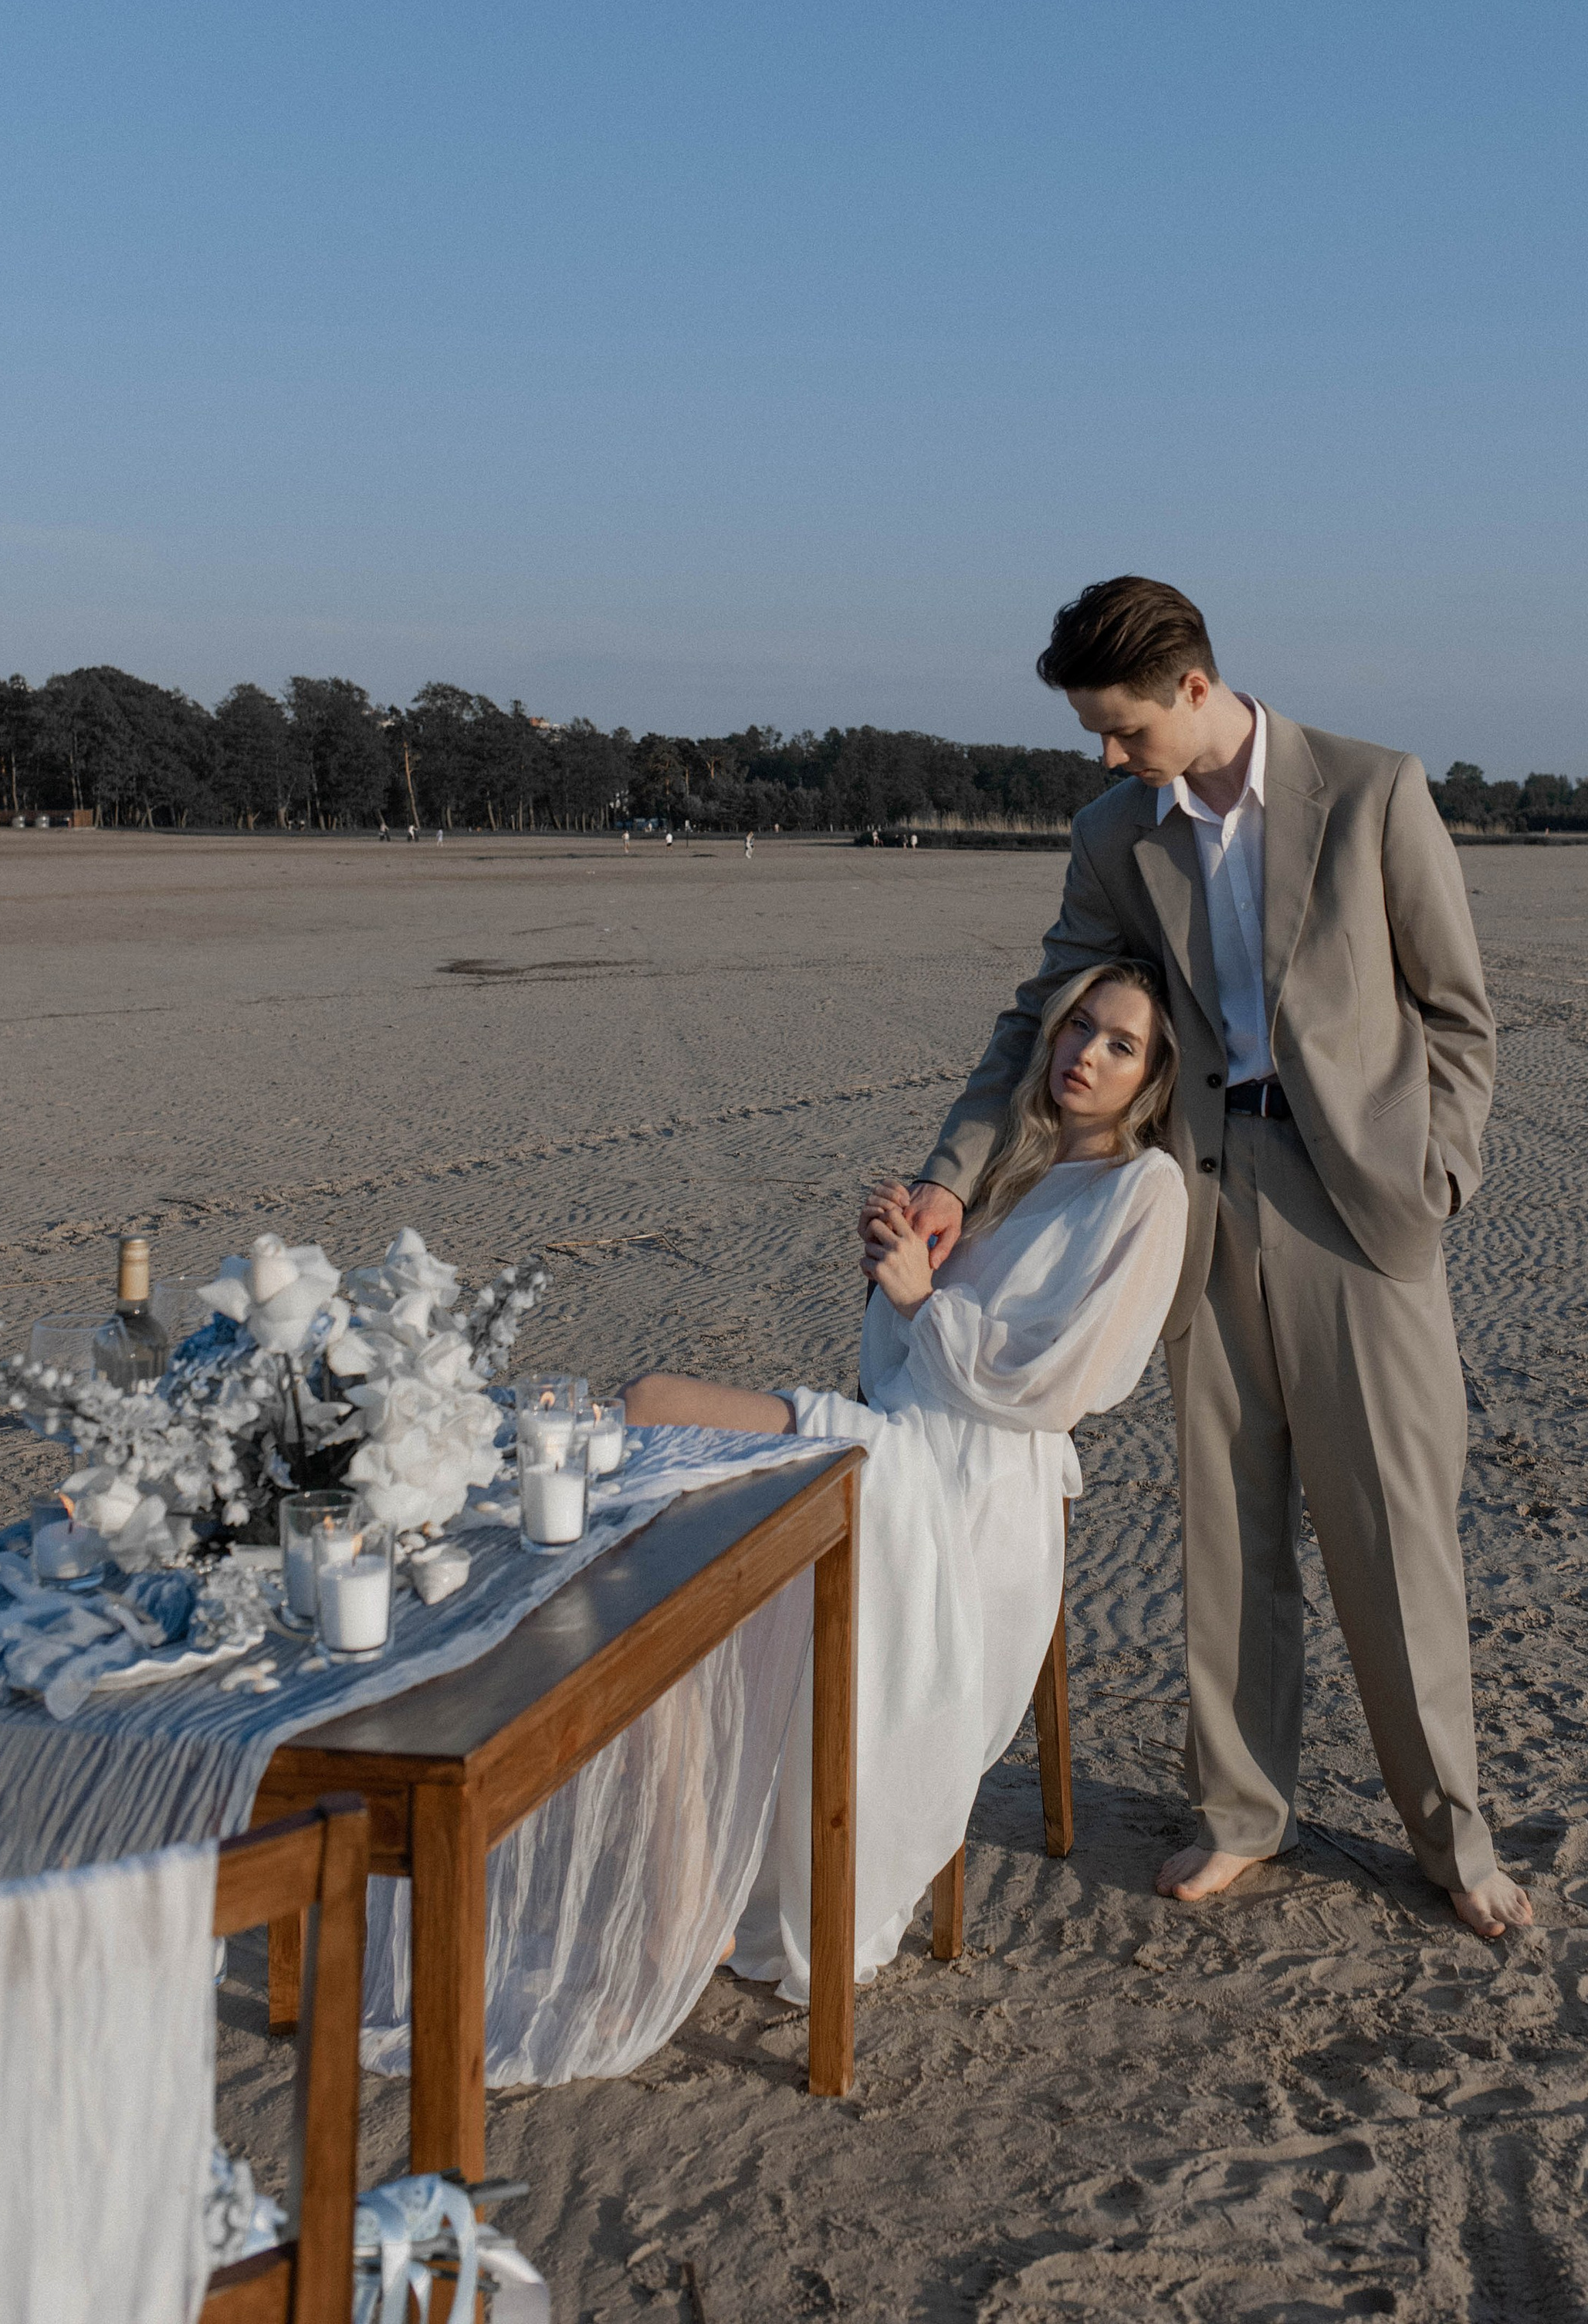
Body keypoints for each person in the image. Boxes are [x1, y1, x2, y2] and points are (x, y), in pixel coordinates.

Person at [903, 577, 1531, 1940]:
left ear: (1195, 687)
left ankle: (1450, 1838)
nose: (1107, 757)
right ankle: (1243, 1815)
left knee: (1393, 1530)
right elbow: (1039, 1023)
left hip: (1365, 1206)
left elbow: (1460, 1015)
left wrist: (1442, 1174)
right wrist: (951, 1179)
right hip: (1194, 1196)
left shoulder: (1373, 791)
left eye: (1122, 729)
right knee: (1226, 1523)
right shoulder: (1116, 834)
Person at [625, 958, 1188, 1996]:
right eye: (1079, 1029)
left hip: (967, 1484)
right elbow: (901, 1359)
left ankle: (722, 1872)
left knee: (656, 1411)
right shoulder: (1012, 1173)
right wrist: (898, 1271)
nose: (1087, 1055)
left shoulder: (1144, 1190)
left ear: (1154, 1078)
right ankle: (698, 1857)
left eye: (1122, 1046)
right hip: (901, 1434)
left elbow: (1058, 1385)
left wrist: (926, 1303)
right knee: (654, 1432)